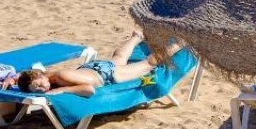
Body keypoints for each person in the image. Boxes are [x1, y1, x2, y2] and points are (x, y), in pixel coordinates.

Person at [15, 32, 153, 96]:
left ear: (41, 76)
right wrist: (12, 80)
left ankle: (168, 49)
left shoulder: (61, 77)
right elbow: (23, 76)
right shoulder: (45, 75)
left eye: (39, 84)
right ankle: (137, 37)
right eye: (36, 90)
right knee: (119, 57)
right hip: (92, 68)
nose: (42, 89)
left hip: (106, 74)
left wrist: (62, 90)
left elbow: (89, 89)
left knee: (149, 64)